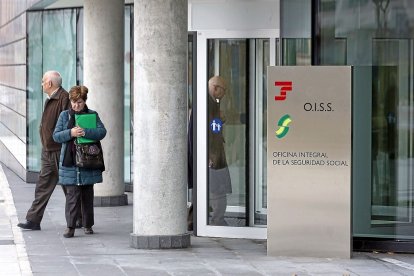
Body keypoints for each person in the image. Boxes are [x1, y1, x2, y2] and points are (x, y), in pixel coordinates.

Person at [17, 71, 70, 230]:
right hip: (48, 151)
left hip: (59, 151)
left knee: (69, 187)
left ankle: (78, 218)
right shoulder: (52, 98)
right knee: (42, 186)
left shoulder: (63, 97)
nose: (41, 84)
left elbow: (67, 124)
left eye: (43, 81)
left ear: (50, 83)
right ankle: (33, 220)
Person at [53, 85, 106, 238]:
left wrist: (86, 132)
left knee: (87, 195)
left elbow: (102, 132)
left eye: (80, 102)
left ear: (85, 101)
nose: (76, 105)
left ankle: (88, 225)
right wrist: (71, 132)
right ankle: (70, 227)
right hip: (70, 163)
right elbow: (56, 136)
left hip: (88, 161)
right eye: (74, 102)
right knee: (72, 196)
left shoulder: (92, 115)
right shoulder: (64, 116)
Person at [207, 76, 232, 226]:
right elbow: (210, 131)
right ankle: (218, 220)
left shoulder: (209, 103)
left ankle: (194, 220)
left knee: (209, 188)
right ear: (216, 88)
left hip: (211, 153)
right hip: (213, 154)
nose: (224, 94)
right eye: (224, 91)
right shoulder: (209, 105)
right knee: (218, 189)